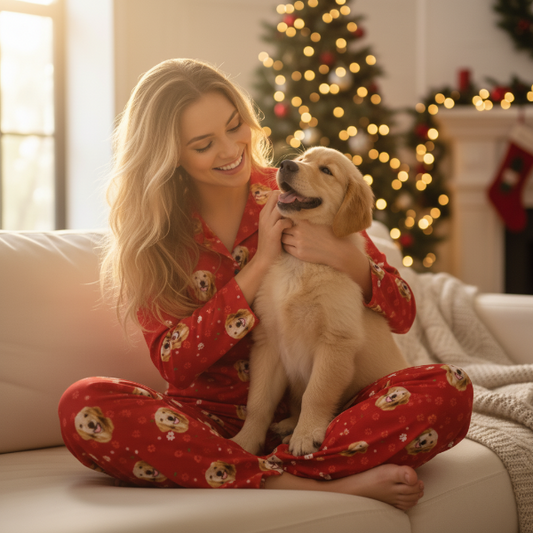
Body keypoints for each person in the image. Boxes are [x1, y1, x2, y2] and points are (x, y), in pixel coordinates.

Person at [58, 58, 473, 510]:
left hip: (331, 414)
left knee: (449, 389)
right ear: (168, 155)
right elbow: (174, 362)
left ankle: (251, 470)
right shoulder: (156, 241)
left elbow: (403, 313)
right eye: (203, 144)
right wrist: (257, 267)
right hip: (212, 421)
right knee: (84, 406)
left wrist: (347, 258)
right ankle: (312, 482)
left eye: (235, 125)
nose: (231, 148)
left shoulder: (296, 191)